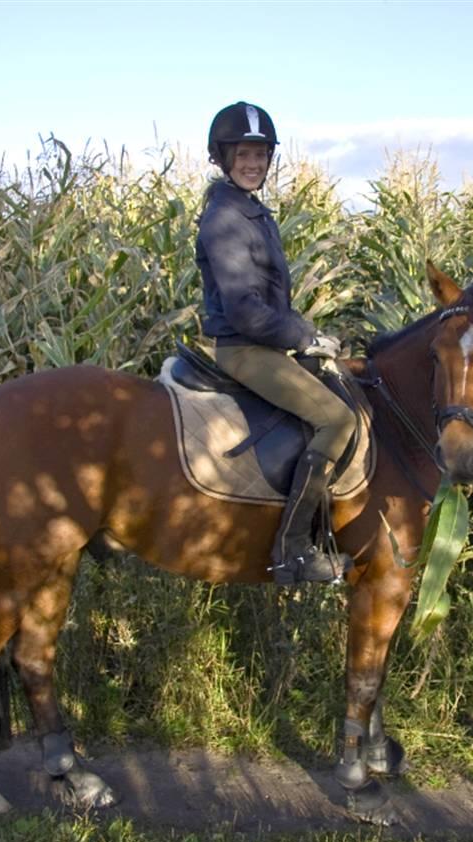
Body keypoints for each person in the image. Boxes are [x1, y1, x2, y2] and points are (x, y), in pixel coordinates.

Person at [195, 101, 357, 586]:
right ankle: (292, 551)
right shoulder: (225, 219)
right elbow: (245, 310)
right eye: (243, 154)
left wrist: (310, 338)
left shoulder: (253, 213)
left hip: (266, 342)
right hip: (244, 348)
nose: (253, 163)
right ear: (223, 158)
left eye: (261, 154)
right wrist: (306, 336)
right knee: (337, 418)